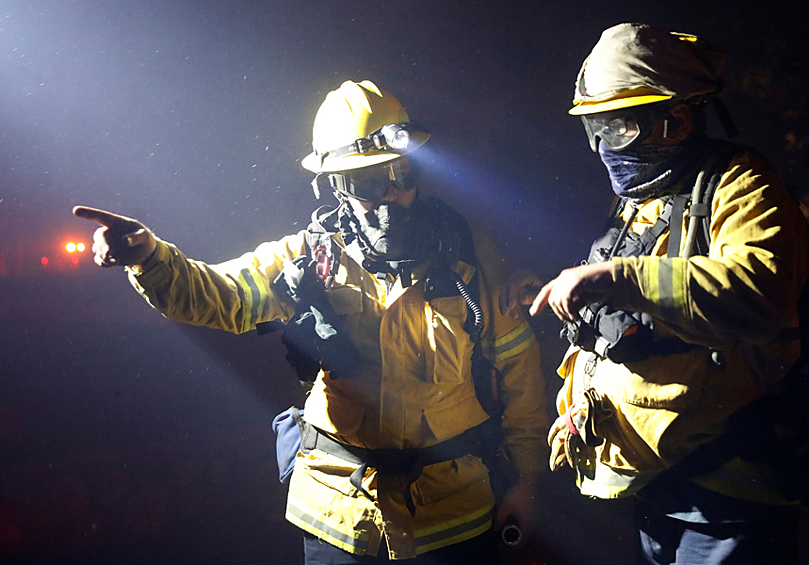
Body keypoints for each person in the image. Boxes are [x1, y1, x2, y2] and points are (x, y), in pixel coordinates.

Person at [74, 79, 548, 564]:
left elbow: (521, 375)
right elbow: (223, 297)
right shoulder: (306, 259)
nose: (390, 195)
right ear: (336, 187)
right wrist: (152, 259)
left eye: (401, 175)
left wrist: (528, 483)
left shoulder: (468, 259)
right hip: (341, 518)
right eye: (367, 183)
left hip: (453, 519)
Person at [505, 23, 809, 564]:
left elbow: (758, 292)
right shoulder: (648, 199)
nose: (605, 146)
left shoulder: (740, 186)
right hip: (656, 486)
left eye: (620, 126)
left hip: (726, 499)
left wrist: (616, 280)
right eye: (596, 128)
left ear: (674, 120)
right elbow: (645, 298)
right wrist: (566, 288)